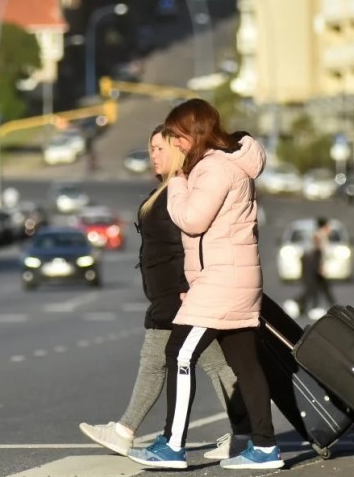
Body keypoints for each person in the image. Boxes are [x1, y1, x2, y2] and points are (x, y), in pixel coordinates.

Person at [127, 99, 284, 470]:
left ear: (194, 133)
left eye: (176, 136)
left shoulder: (213, 169)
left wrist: (177, 182)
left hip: (222, 280)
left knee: (179, 353)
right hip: (232, 278)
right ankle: (264, 447)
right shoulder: (225, 165)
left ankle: (173, 445)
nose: (174, 144)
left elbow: (192, 221)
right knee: (245, 363)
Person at [79, 125, 252, 460]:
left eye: (160, 149)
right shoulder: (170, 188)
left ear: (178, 150)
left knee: (164, 360)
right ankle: (245, 433)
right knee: (210, 362)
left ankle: (126, 431)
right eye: (151, 150)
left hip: (179, 296)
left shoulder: (181, 187)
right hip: (171, 295)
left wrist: (189, 287)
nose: (153, 156)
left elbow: (186, 243)